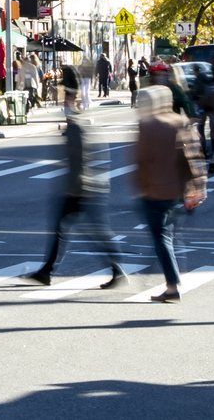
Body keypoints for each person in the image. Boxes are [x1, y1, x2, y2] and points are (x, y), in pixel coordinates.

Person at [28, 89, 127, 288]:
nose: (65, 106)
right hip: (84, 188)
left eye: (68, 102)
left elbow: (82, 161)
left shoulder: (77, 128)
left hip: (83, 190)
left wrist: (77, 189)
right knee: (67, 230)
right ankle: (47, 271)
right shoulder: (77, 126)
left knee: (91, 232)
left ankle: (118, 270)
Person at [132, 84, 205, 303]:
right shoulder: (180, 122)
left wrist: (140, 188)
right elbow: (192, 156)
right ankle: (171, 282)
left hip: (154, 191)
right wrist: (198, 186)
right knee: (168, 236)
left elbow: (141, 160)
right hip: (177, 190)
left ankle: (172, 285)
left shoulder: (148, 125)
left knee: (162, 238)